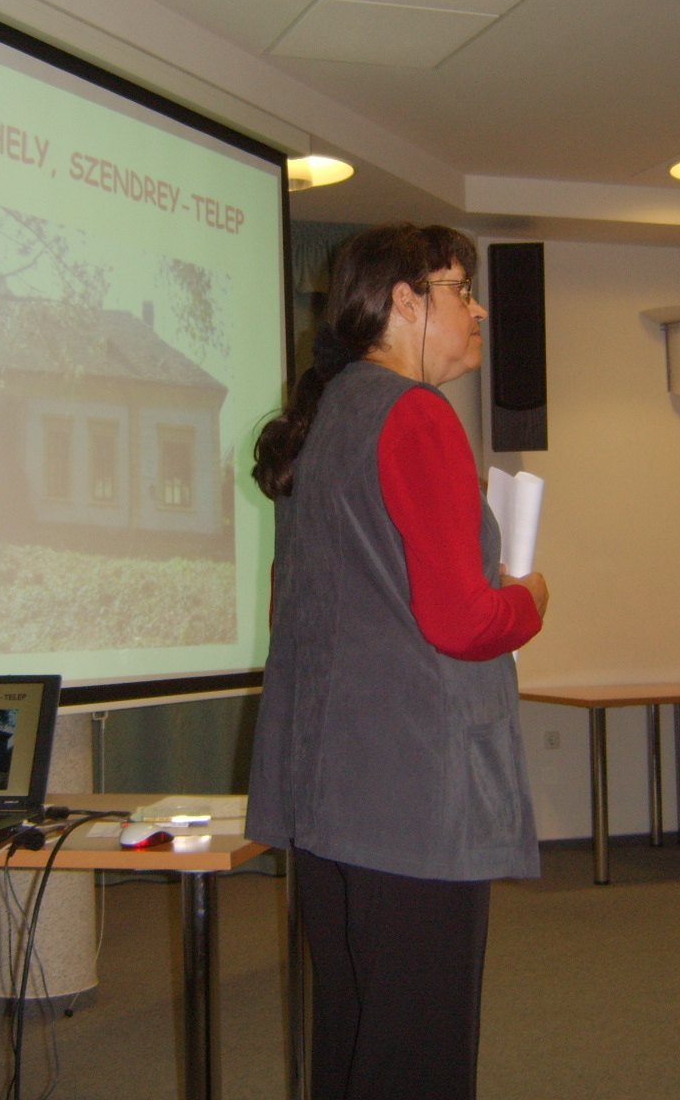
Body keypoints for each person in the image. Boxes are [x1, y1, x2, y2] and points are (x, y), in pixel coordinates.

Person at [246, 223, 549, 1100]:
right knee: (417, 1059)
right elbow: (463, 621)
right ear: (405, 303)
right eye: (462, 289)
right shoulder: (415, 415)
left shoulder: (329, 417)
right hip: (413, 804)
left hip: (331, 801)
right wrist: (532, 597)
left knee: (353, 1042)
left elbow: (303, 610)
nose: (479, 310)